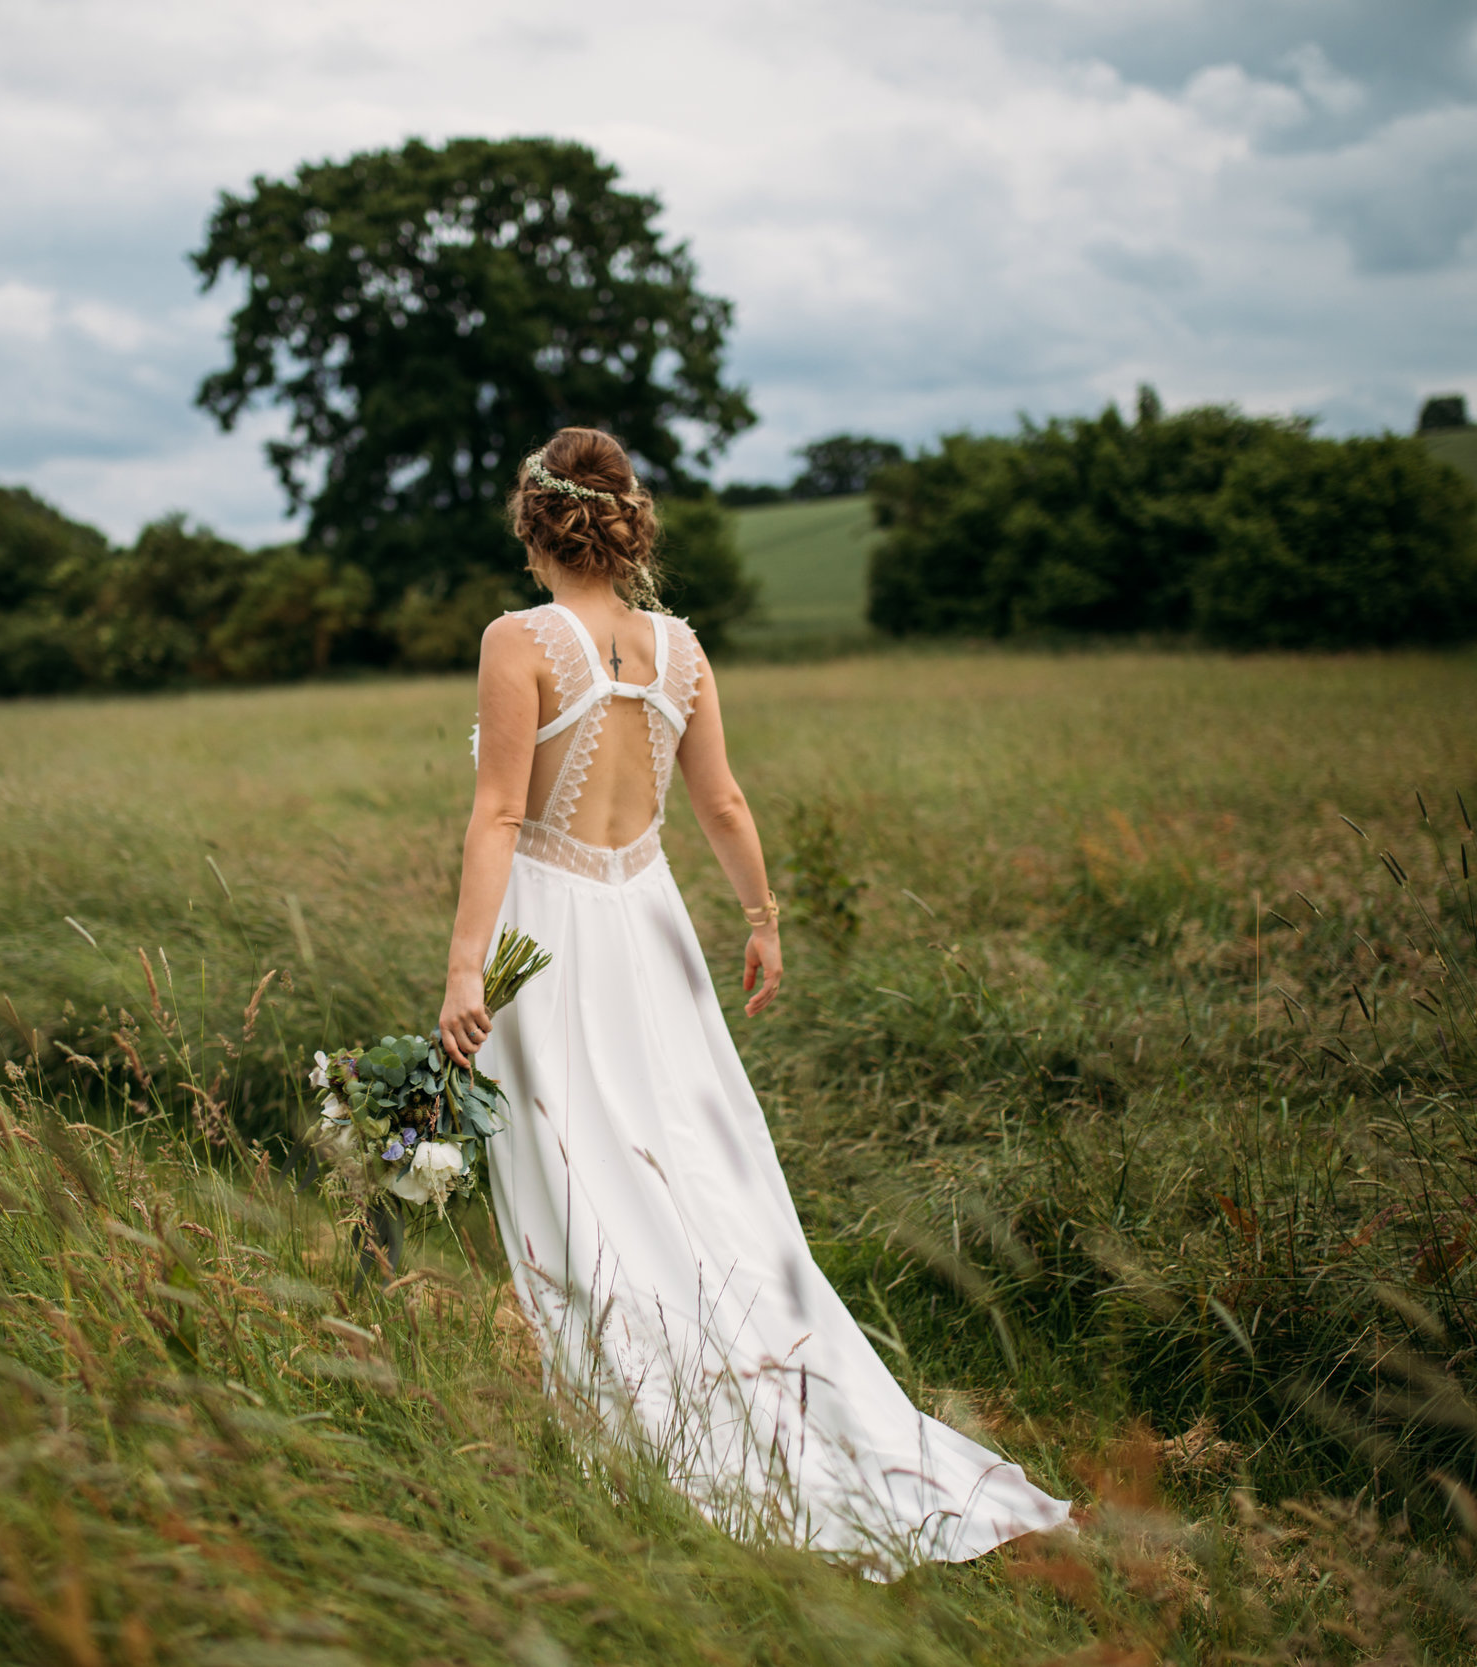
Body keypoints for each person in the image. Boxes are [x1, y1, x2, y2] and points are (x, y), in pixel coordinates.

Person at [435, 427, 1070, 1575]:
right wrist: (763, 916)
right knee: (692, 1157)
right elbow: (720, 802)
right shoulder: (680, 648)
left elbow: (495, 814)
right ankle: (738, 1377)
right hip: (656, 924)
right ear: (624, 525)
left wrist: (463, 968)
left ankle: (636, 1420)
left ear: (535, 524)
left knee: (578, 1164)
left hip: (555, 925)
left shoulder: (515, 638)